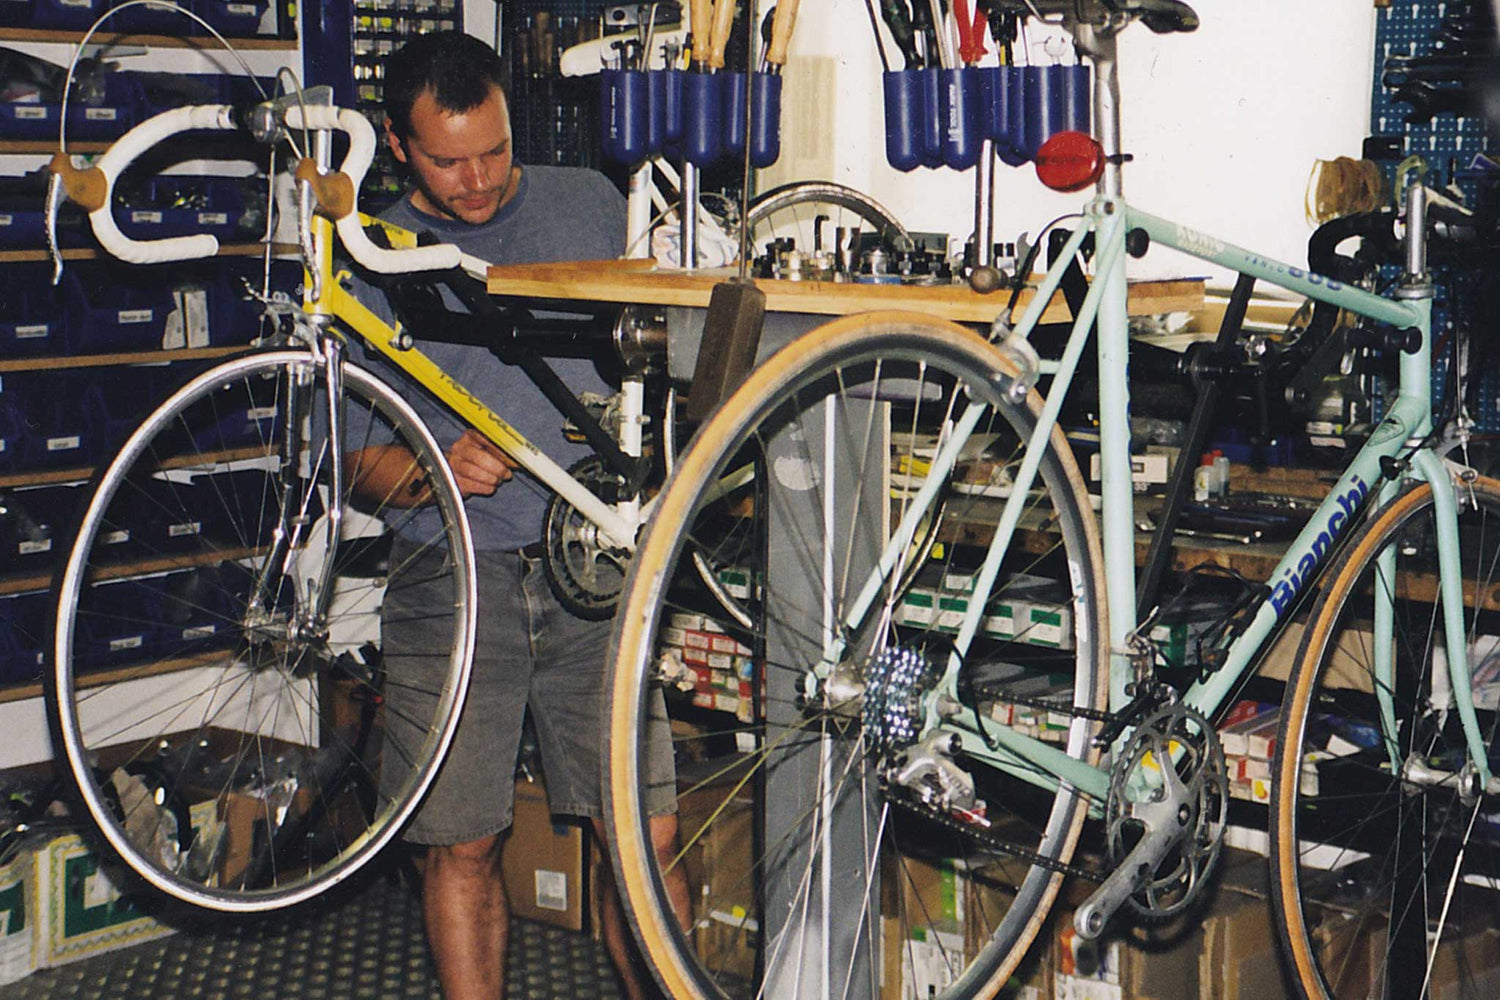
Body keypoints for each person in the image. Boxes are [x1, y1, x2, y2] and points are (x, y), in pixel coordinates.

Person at [346, 30, 686, 1000]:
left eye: (494, 149)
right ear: (397, 145)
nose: (480, 180)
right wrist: (429, 467)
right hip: (449, 577)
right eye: (449, 161)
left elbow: (665, 354)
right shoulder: (370, 254)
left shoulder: (589, 202)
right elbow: (350, 464)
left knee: (645, 835)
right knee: (460, 845)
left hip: (592, 570)